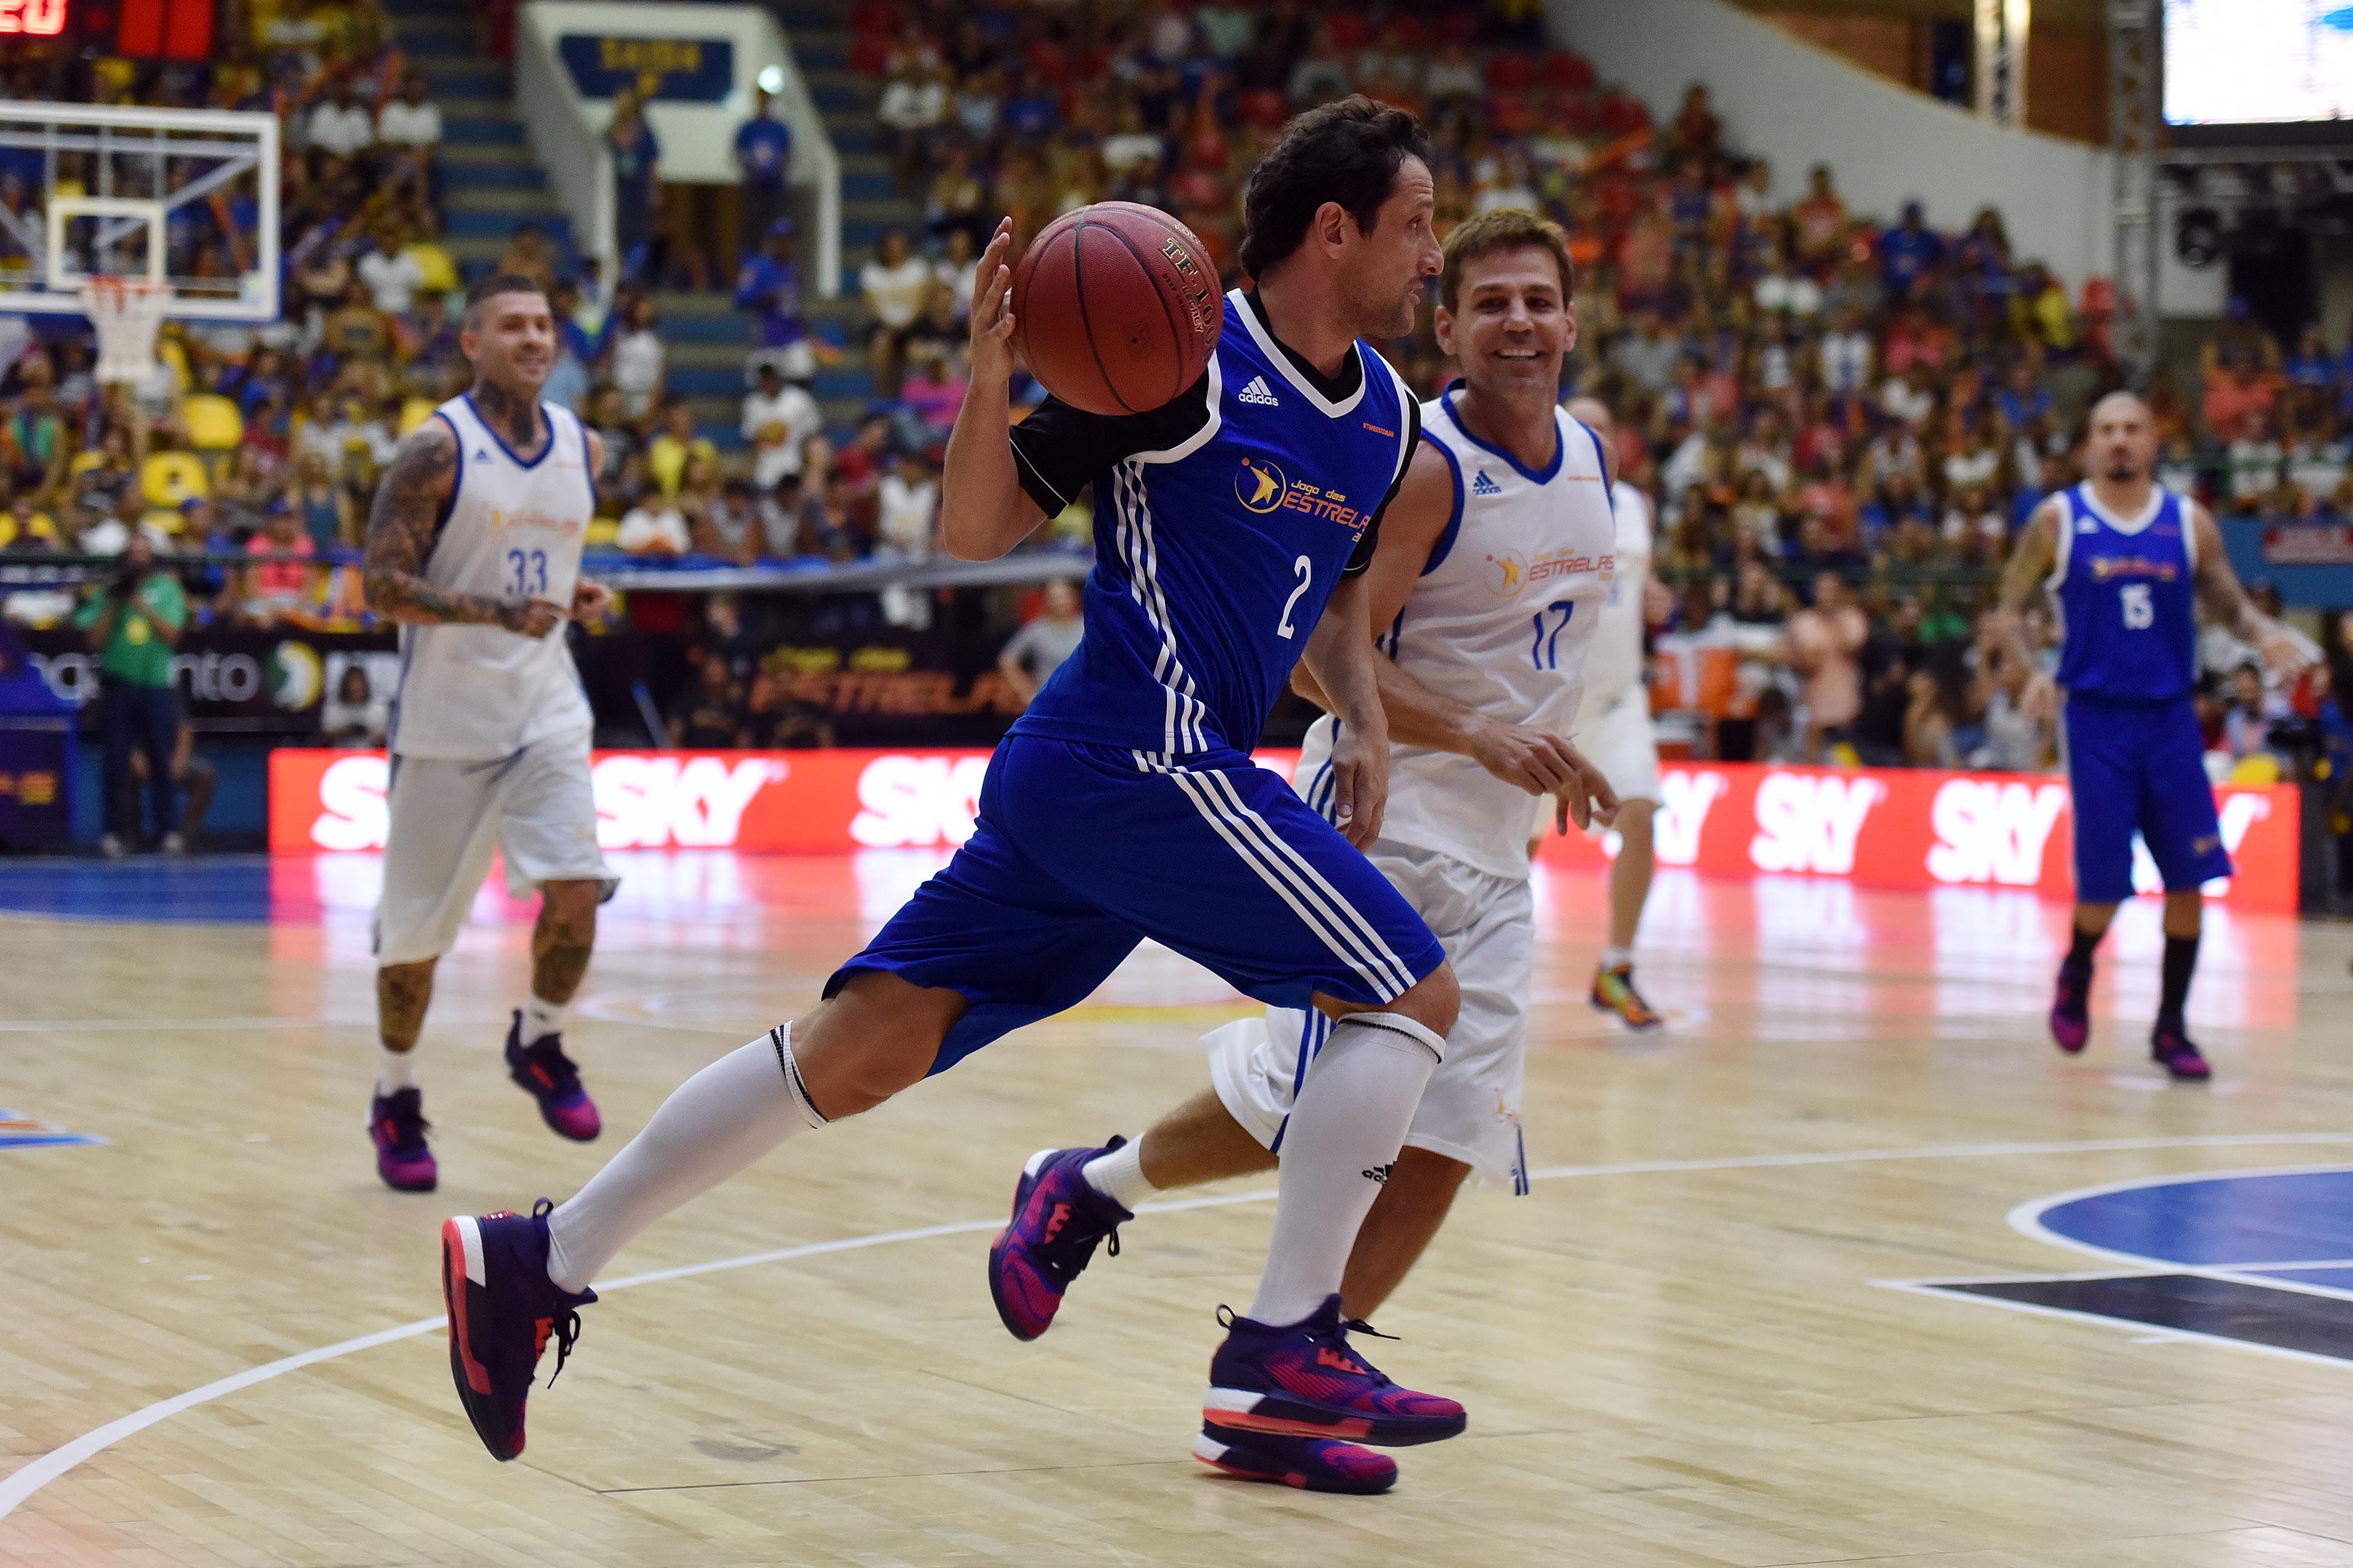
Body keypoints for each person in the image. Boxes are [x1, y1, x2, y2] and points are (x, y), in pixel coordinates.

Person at [438, 97, 1471, 1484]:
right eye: (1414, 226)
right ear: (1331, 231)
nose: (1432, 256)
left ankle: (535, 1259)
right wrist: (991, 376)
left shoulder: (1386, 416)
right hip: (1137, 755)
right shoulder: (1183, 350)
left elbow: (1331, 610)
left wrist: (1360, 716)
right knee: (1407, 995)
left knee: (853, 1051)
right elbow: (975, 530)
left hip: (1095, 785)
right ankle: (1282, 1351)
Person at [990, 207, 1619, 1496]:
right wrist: (1479, 736)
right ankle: (1209, 1293)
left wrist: (1548, 744)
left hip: (1498, 846)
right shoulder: (1424, 460)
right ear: (1445, 327)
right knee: (1331, 1101)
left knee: (1444, 1135)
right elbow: (1338, 651)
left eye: (1537, 301)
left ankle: (1276, 1344)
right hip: (1386, 817)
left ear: (1570, 321)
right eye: (1486, 301)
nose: (1515, 322)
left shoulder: (1594, 465)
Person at [359, 272, 618, 1193]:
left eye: (544, 325)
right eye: (511, 326)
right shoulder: (436, 447)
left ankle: (540, 1038)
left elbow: (543, 560)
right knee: (413, 949)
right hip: (446, 725)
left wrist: (569, 595)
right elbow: (380, 587)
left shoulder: (583, 448)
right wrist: (494, 610)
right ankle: (394, 1094)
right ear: (471, 342)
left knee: (580, 890)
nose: (533, 338)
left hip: (546, 706)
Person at [1996, 392, 2310, 1082]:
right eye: (2105, 429)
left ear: (2153, 441)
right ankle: (2077, 969)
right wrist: (2030, 672)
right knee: (2103, 891)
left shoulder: (2187, 521)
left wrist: (2264, 633)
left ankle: (2171, 1029)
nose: (2119, 441)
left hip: (2170, 716)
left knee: (2191, 880)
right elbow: (2010, 608)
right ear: (2087, 443)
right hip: (2097, 719)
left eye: (2132, 429)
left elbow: (2226, 597)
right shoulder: (2059, 520)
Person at [1560, 396, 1668, 1030]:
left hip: (1620, 697)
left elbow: (1636, 589)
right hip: (1549, 704)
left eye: (1605, 427)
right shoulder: (1539, 495)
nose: (1595, 437)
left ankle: (1617, 967)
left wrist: (1655, 601)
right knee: (1514, 846)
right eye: (1582, 427)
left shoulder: (1635, 505)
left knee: (1643, 817)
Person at [74, 534, 186, 858]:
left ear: (152, 557)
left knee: (160, 760)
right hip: (118, 686)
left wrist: (143, 607)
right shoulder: (110, 593)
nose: (138, 558)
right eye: (133, 552)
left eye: (144, 552)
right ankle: (113, 832)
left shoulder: (167, 588)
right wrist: (114, 604)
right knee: (115, 761)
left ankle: (168, 831)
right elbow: (93, 640)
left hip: (155, 686)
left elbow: (173, 636)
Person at [995, 577, 1083, 704]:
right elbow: (1007, 659)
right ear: (1047, 601)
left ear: (1073, 597)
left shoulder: (1087, 627)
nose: (1060, 602)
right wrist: (1026, 691)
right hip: (1049, 702)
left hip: (1082, 700)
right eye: (1055, 598)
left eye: (1064, 596)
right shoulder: (1037, 629)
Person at [733, 88, 793, 258]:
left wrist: (776, 174)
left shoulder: (780, 128)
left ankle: (777, 265)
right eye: (760, 99)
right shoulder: (748, 128)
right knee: (752, 226)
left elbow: (787, 155)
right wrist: (752, 173)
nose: (763, 103)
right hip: (754, 186)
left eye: (766, 99)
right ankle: (750, 262)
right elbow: (739, 154)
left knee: (778, 226)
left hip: (775, 187)